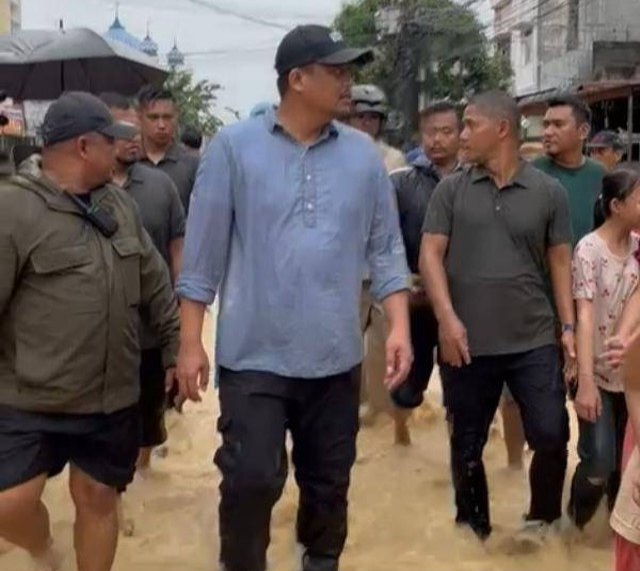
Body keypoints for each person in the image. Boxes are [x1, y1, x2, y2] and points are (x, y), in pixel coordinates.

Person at [175, 25, 412, 571]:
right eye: (337, 72)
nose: (349, 84)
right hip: (254, 356)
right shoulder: (233, 150)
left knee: (329, 487)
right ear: (296, 79)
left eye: (349, 72)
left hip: (335, 357)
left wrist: (398, 326)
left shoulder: (364, 159)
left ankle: (319, 562)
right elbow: (202, 258)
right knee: (250, 480)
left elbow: (386, 250)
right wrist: (190, 343)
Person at [0, 92, 179, 571]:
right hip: (31, 397)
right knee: (8, 504)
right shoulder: (13, 210)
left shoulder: (118, 205)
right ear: (83, 146)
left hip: (110, 394)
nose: (125, 146)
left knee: (98, 496)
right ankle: (43, 551)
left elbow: (155, 281)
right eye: (111, 140)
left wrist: (176, 350)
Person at [421, 90, 575, 542]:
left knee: (551, 435)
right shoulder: (451, 190)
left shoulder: (548, 192)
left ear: (501, 129)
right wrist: (447, 320)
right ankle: (474, 534)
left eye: (470, 125)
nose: (462, 135)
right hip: (466, 343)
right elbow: (430, 256)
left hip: (533, 339)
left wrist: (567, 327)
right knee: (466, 444)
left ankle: (542, 522)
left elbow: (560, 262)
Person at [100, 92, 186, 471]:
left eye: (136, 130)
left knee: (149, 417)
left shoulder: (160, 187)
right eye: (123, 131)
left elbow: (176, 250)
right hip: (96, 330)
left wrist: (182, 314)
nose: (133, 138)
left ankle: (141, 478)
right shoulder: (80, 191)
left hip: (150, 325)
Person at [569, 169, 640, 531]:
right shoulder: (588, 250)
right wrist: (584, 382)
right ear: (616, 205)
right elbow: (583, 316)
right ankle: (574, 529)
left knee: (627, 463)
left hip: (631, 376)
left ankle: (616, 539)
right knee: (599, 462)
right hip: (593, 371)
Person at [389, 101, 460, 420]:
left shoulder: (477, 181)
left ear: (461, 134)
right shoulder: (401, 183)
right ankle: (400, 440)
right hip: (415, 296)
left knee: (460, 387)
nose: (437, 140)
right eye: (430, 132)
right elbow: (385, 238)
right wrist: (401, 281)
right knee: (405, 387)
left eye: (446, 132)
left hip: (462, 299)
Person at [348, 84, 407, 442]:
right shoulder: (328, 156)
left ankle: (387, 427)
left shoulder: (394, 161)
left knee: (384, 351)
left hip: (382, 272)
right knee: (342, 351)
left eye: (372, 117)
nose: (366, 123)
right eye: (360, 115)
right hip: (342, 273)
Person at [534, 94, 606, 246]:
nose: (547, 132)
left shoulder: (600, 175)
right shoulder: (531, 173)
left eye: (558, 125)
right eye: (546, 125)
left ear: (583, 131)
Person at [137, 86, 200, 214]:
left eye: (167, 117)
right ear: (140, 119)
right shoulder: (128, 161)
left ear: (176, 117)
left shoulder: (192, 165)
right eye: (153, 117)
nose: (161, 125)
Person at [349, 84, 406, 172]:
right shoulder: (332, 154)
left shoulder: (393, 159)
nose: (367, 123)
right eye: (360, 116)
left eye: (374, 117)